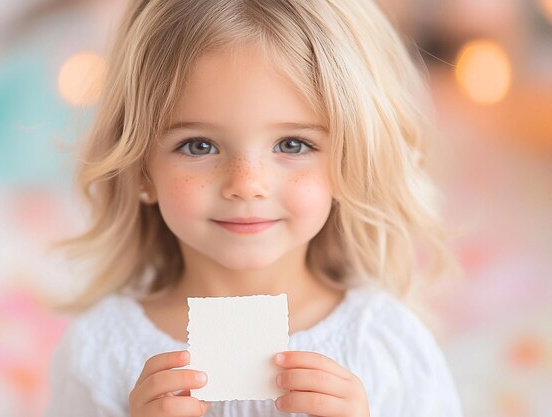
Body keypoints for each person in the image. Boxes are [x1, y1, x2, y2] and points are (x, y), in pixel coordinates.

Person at [45, 0, 464, 416]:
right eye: (199, 146)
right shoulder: (98, 351)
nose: (246, 184)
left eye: (292, 145)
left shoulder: (384, 342)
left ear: (349, 161)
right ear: (141, 169)